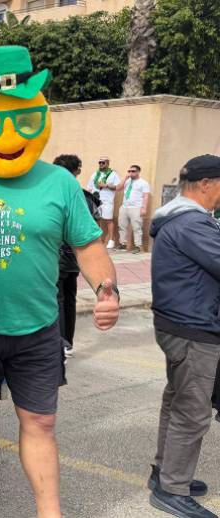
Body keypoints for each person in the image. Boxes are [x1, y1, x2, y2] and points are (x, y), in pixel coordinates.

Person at [0, 46, 120, 518]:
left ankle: (51, 512)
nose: (8, 136)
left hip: (38, 327)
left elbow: (88, 245)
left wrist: (107, 290)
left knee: (40, 422)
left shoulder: (59, 183)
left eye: (23, 120)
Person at [148, 154, 220, 518]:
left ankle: (164, 473)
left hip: (179, 324)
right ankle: (172, 488)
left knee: (177, 401)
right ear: (205, 184)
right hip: (193, 328)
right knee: (192, 411)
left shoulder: (177, 218)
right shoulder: (193, 224)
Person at [53, 154, 101, 357]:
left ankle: (61, 343)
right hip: (76, 257)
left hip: (59, 255)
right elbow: (96, 226)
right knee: (69, 299)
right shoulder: (85, 197)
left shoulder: (57, 194)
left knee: (58, 299)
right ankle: (68, 343)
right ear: (78, 171)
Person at [87, 156, 120, 249]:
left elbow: (118, 187)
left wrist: (106, 185)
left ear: (108, 163)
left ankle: (111, 240)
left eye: (103, 163)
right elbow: (89, 187)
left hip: (107, 201)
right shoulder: (95, 174)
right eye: (100, 163)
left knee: (108, 220)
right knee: (96, 219)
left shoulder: (113, 174)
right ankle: (98, 239)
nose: (101, 164)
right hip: (95, 200)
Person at [116, 164, 150, 253]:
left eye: (133, 171)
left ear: (138, 172)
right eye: (129, 171)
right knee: (122, 226)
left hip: (136, 207)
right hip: (124, 207)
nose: (131, 173)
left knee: (137, 227)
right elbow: (118, 188)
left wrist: (144, 208)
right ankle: (123, 244)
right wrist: (125, 178)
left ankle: (138, 246)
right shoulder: (127, 181)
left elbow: (145, 196)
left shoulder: (143, 183)